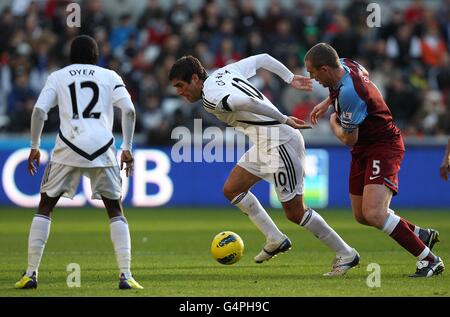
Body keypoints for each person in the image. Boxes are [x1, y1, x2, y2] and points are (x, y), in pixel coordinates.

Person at [169, 54, 360, 276]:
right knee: (232, 189)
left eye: (181, 86)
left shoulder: (212, 96)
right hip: (265, 142)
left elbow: (247, 102)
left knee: (295, 212)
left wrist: (283, 118)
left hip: (280, 142)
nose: (179, 92)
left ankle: (346, 253)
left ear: (194, 78)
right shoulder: (224, 72)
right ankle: (274, 238)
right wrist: (289, 77)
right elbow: (263, 58)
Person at [14, 35, 143, 289]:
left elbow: (39, 111)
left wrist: (34, 147)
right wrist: (126, 147)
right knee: (115, 210)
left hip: (68, 147)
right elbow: (129, 110)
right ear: (97, 56)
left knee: (45, 206)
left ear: (70, 56)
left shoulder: (58, 76)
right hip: (103, 148)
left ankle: (31, 274)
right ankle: (126, 275)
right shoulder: (111, 76)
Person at [307, 42, 444, 277]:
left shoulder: (351, 92)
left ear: (325, 69)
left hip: (383, 146)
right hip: (364, 149)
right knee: (361, 215)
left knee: (375, 212)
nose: (312, 78)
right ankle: (420, 235)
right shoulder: (347, 64)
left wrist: (333, 125)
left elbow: (349, 138)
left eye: (313, 73)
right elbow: (360, 76)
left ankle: (430, 260)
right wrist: (327, 102)